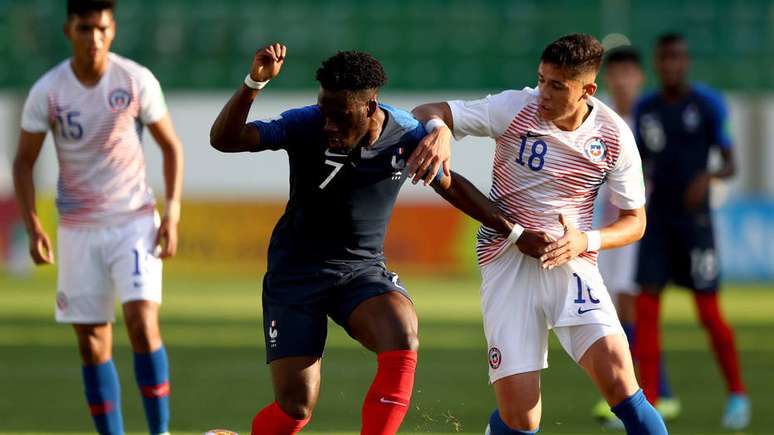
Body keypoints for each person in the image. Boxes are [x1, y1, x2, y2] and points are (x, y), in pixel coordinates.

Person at [210, 43, 519, 435]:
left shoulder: (406, 135)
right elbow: (225, 139)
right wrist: (254, 82)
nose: (329, 125)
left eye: (339, 116)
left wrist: (513, 230)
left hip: (360, 272)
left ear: (370, 106)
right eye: (325, 112)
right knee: (294, 410)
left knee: (402, 331)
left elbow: (449, 184)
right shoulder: (305, 124)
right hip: (295, 276)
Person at [412, 34, 668, 434]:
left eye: (557, 85)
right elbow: (428, 110)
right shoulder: (515, 107)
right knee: (522, 418)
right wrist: (439, 127)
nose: (543, 93)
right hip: (507, 263)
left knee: (621, 381)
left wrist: (586, 240)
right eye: (541, 79)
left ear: (587, 90)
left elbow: (636, 221)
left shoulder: (614, 136)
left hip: (574, 264)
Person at [12, 1, 184, 434]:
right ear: (69, 29)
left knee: (142, 324)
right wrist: (34, 224)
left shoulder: (135, 79)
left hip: (133, 221)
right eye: (85, 28)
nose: (94, 38)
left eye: (102, 28)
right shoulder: (48, 91)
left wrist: (173, 214)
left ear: (113, 31)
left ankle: (159, 431)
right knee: (92, 344)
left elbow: (171, 147)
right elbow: (23, 162)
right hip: (76, 230)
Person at [633, 33, 749, 430]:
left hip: (696, 225)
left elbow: (731, 163)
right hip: (656, 223)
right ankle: (647, 402)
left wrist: (709, 176)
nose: (670, 66)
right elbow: (634, 163)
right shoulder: (646, 109)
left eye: (677, 59)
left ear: (687, 62)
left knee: (709, 313)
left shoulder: (708, 104)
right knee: (646, 310)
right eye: (664, 59)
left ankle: (737, 394)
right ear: (657, 63)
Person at [591, 46, 680, 427]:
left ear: (639, 77)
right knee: (612, 307)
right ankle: (650, 391)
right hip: (602, 224)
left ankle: (649, 392)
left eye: (629, 72)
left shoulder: (647, 118)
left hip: (635, 226)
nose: (623, 80)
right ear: (606, 79)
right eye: (616, 73)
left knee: (630, 306)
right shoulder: (598, 117)